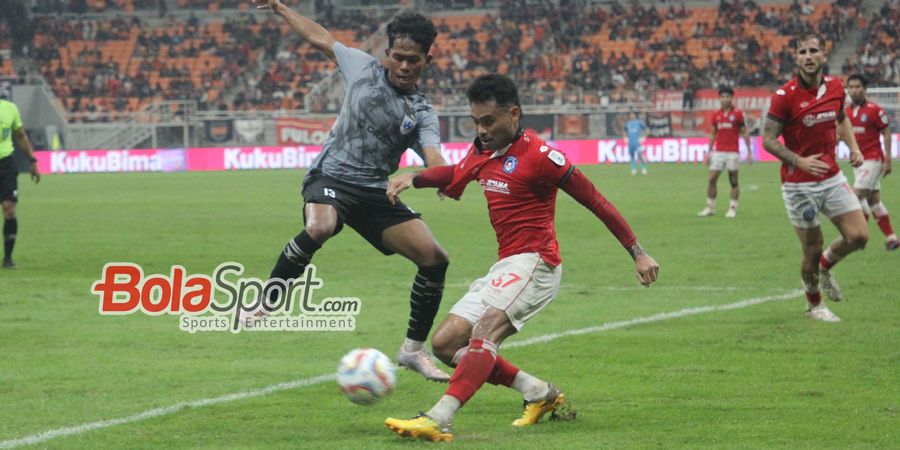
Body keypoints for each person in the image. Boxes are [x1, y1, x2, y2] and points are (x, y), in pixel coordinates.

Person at [383, 74, 659, 442]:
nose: (481, 130)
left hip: (537, 263)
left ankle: (439, 418)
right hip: (507, 264)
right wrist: (415, 178)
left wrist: (637, 253)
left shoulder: (542, 157)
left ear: (514, 114)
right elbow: (456, 175)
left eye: (489, 121)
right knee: (446, 344)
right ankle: (539, 393)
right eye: (476, 121)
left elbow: (595, 200)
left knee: (485, 333)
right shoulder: (483, 151)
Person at [248, 0, 451, 381]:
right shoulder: (360, 65)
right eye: (399, 57)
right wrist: (279, 7)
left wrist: (434, 177)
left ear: (427, 59)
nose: (405, 66)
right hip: (331, 177)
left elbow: (434, 156)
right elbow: (318, 36)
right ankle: (268, 299)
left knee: (435, 258)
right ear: (387, 54)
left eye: (414, 59)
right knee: (321, 227)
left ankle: (413, 350)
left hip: (375, 191)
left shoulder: (421, 110)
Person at [761, 33, 867, 321]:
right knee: (812, 247)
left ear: (824, 54)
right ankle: (814, 305)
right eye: (802, 52)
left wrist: (854, 148)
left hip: (831, 177)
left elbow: (841, 118)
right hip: (799, 185)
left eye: (813, 51)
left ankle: (825, 266)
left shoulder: (835, 88)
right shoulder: (784, 96)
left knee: (859, 235)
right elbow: (767, 140)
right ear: (796, 58)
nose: (808, 56)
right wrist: (799, 161)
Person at [844, 74, 897, 250]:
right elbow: (842, 133)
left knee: (856, 195)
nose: (854, 90)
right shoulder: (846, 112)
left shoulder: (874, 109)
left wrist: (888, 159)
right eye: (851, 87)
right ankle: (891, 238)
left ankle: (859, 235)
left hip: (873, 159)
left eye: (857, 86)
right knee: (873, 200)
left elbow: (887, 132)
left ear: (865, 89)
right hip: (857, 161)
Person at [698, 86, 753, 218]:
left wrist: (750, 152)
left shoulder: (739, 114)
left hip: (732, 152)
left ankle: (732, 208)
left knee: (733, 181)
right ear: (719, 98)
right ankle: (710, 207)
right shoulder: (716, 115)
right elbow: (712, 134)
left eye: (727, 96)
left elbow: (745, 132)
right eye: (722, 96)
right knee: (712, 179)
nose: (725, 99)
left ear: (731, 98)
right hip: (718, 152)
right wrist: (708, 152)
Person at [0, 97, 41, 269]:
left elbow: (21, 135)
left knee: (9, 209)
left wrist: (32, 161)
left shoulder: (10, 108)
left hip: (5, 165)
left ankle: (8, 259)